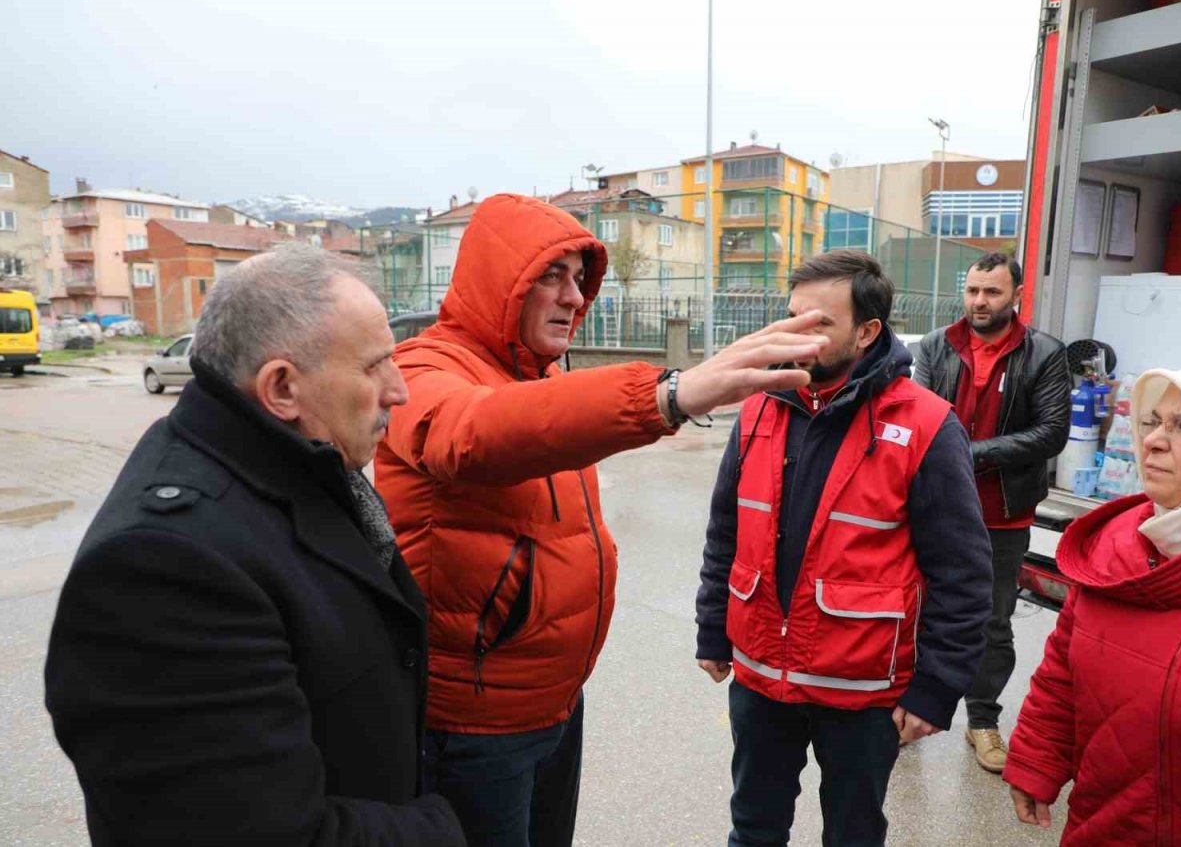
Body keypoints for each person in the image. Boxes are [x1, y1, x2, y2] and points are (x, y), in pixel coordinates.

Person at [375, 193, 829, 847]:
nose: (570, 295)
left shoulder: (544, 371)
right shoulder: (425, 368)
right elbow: (469, 433)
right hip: (476, 724)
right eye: (548, 276)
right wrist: (666, 394)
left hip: (556, 702)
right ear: (497, 281)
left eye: (577, 277)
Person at [44, 245, 465, 846]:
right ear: (282, 388)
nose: (398, 392)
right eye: (374, 368)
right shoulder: (163, 570)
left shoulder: (290, 462)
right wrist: (440, 829)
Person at [695, 250, 994, 847]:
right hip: (760, 678)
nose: (796, 334)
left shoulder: (927, 426)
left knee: (853, 834)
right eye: (791, 318)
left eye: (819, 323)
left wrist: (935, 690)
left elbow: (962, 574)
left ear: (867, 332)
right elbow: (726, 530)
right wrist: (711, 629)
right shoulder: (758, 406)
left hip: (860, 692)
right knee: (753, 827)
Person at [1004, 363, 1181, 846]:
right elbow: (1063, 671)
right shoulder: (1115, 550)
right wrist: (1038, 758)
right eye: (1153, 421)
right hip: (1101, 826)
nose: (1152, 440)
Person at [912, 252, 1070, 772]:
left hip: (1002, 515)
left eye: (992, 293)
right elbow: (915, 413)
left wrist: (969, 454)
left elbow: (1051, 433)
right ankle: (906, 713)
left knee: (993, 624)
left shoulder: (1044, 353)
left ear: (1016, 295)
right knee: (912, 613)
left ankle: (981, 721)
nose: (980, 302)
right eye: (974, 291)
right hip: (933, 510)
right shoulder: (938, 346)